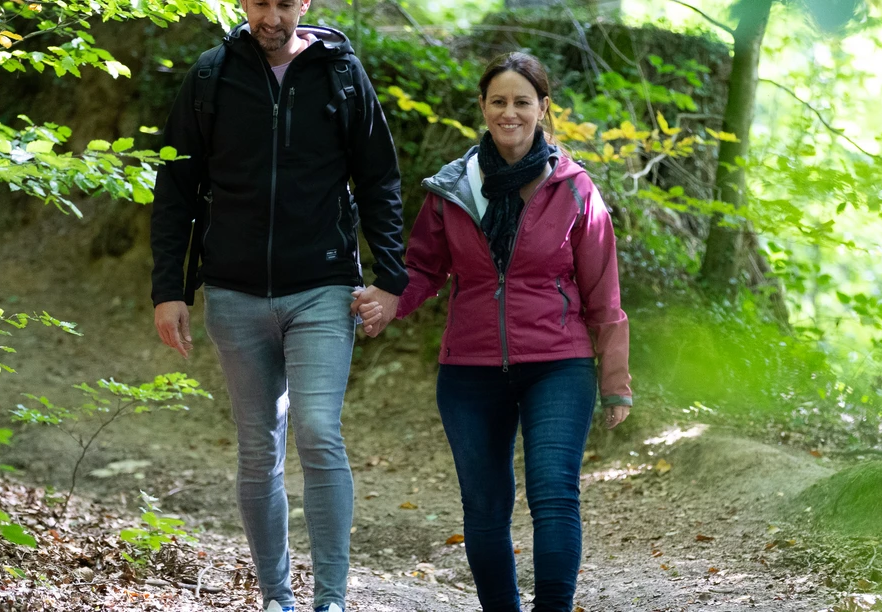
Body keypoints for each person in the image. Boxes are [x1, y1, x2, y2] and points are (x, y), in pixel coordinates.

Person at [148, 0, 406, 609]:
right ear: (241, 3)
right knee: (259, 446)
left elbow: (378, 178)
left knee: (318, 431)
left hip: (322, 287)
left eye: (285, 3)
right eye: (261, 2)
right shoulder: (211, 76)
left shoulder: (341, 73)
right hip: (234, 294)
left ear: (305, 3)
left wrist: (391, 280)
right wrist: (170, 290)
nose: (273, 16)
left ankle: (331, 599)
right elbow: (176, 187)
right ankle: (276, 597)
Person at [353, 52, 632, 612]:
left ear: (543, 109)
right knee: (484, 506)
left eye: (522, 102)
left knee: (554, 495)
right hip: (469, 369)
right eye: (499, 101)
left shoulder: (576, 189)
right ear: (482, 108)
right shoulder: (453, 188)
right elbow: (424, 268)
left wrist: (615, 379)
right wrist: (387, 303)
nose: (510, 113)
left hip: (559, 363)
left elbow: (603, 291)